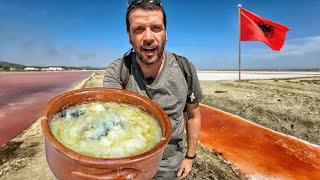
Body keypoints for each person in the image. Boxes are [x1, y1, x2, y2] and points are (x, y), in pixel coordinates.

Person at [103, 0, 203, 179]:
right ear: (129, 36)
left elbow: (193, 115)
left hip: (169, 165)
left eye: (156, 28)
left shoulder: (184, 68)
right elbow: (111, 121)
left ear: (166, 33)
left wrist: (190, 156)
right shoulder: (117, 72)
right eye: (139, 29)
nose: (148, 37)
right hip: (128, 164)